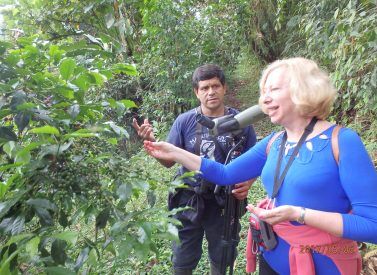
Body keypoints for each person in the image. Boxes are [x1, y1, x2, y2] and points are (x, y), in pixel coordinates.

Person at [143, 57, 377, 275]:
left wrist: (299, 214)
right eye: (263, 92)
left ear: (303, 90)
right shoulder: (275, 141)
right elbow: (225, 173)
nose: (264, 99)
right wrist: (173, 151)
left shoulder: (342, 142)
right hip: (272, 257)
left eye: (274, 89)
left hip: (325, 263)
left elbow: (372, 226)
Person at [132, 64, 257, 275]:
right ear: (196, 92)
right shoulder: (184, 121)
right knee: (182, 258)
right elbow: (169, 161)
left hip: (224, 202)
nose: (211, 92)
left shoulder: (241, 121)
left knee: (223, 256)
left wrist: (249, 182)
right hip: (188, 199)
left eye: (215, 86)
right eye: (205, 87)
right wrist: (153, 144)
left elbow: (256, 157)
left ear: (224, 88)